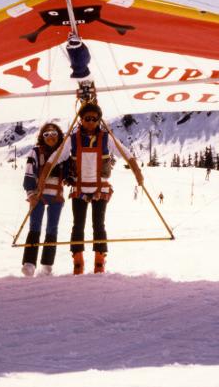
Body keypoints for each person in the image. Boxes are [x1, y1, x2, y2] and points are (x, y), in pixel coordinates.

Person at [44, 102, 143, 275]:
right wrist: (43, 175)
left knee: (99, 224)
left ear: (99, 120)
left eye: (94, 119)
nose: (90, 122)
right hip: (79, 188)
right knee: (78, 225)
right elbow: (56, 156)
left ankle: (99, 259)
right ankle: (77, 260)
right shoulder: (73, 139)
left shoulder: (107, 138)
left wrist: (137, 171)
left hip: (100, 188)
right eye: (87, 119)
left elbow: (125, 153)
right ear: (81, 120)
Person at [21, 122, 67, 277]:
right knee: (35, 226)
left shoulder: (63, 153)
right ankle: (29, 263)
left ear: (59, 136)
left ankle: (47, 264)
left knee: (52, 229)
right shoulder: (36, 152)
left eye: (54, 134)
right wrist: (31, 193)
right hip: (39, 195)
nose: (51, 137)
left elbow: (70, 172)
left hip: (56, 196)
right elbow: (29, 173)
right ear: (42, 137)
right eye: (47, 134)